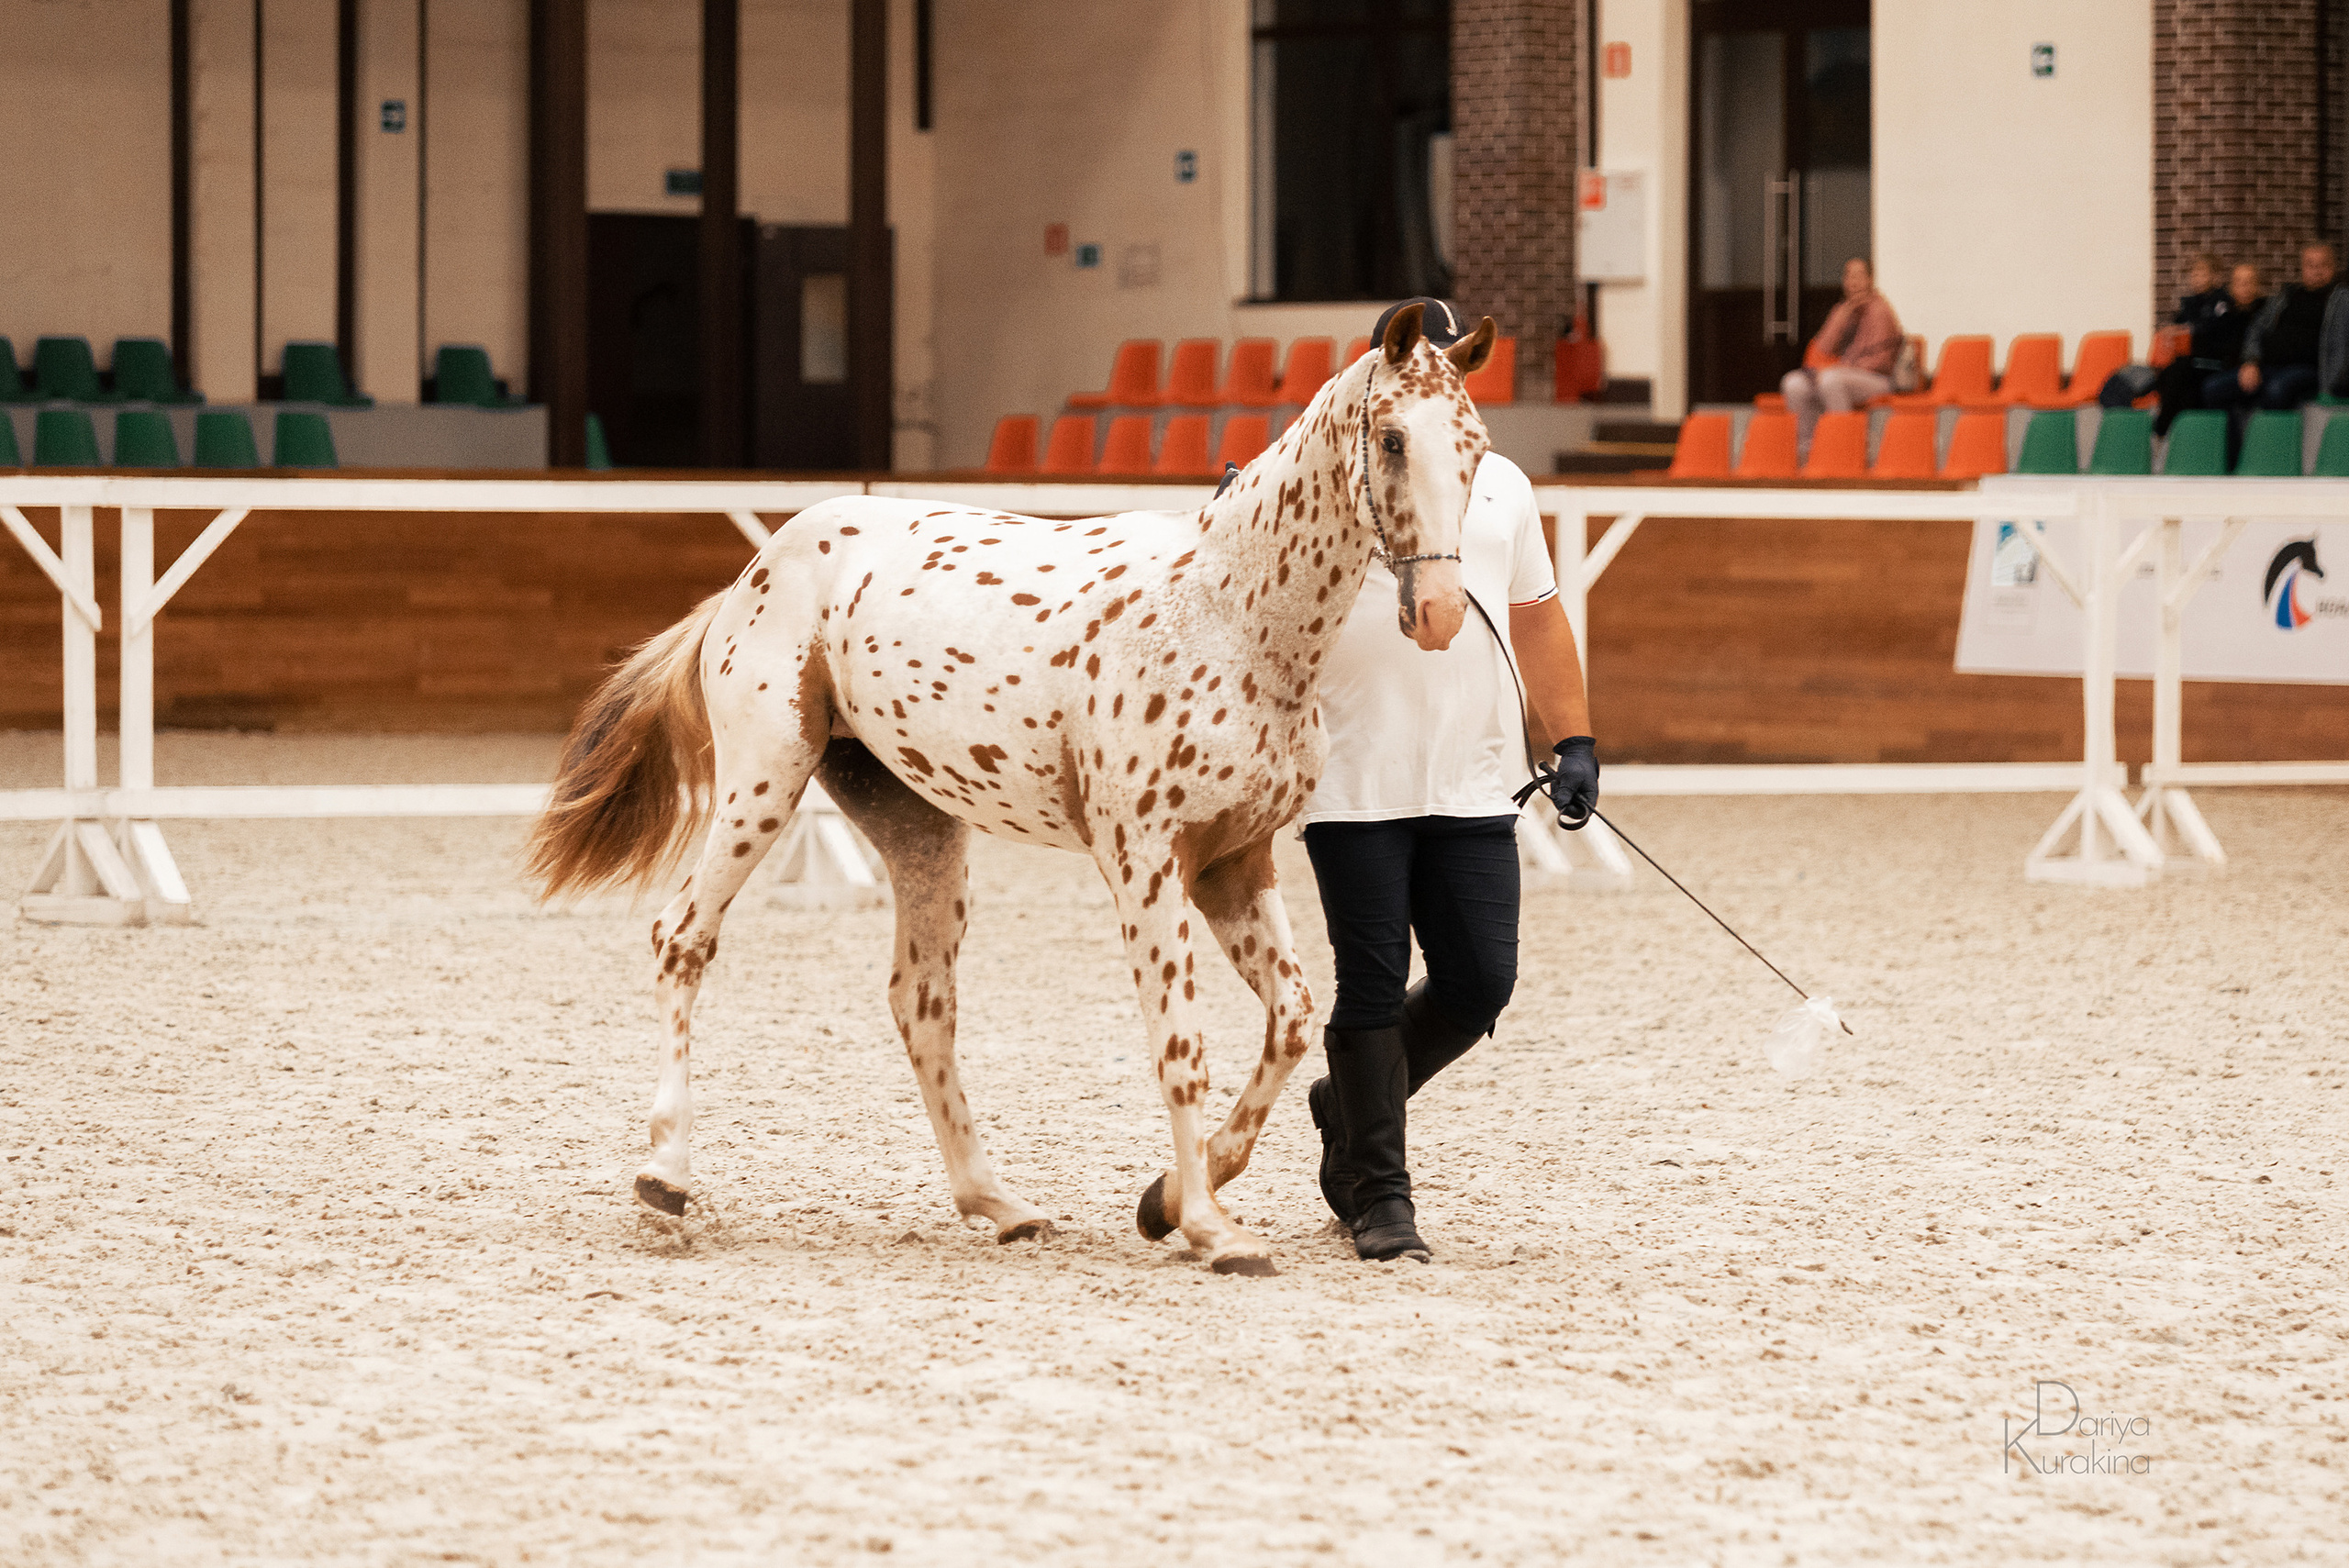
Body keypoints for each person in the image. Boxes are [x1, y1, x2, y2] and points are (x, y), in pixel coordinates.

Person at [1297, 297, 1599, 1263]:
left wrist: (1575, 738)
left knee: (1480, 980)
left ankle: (1349, 1098)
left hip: (1473, 777)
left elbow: (1539, 616)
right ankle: (1376, 1192)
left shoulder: (1502, 481)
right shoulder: (1333, 477)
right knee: (1372, 982)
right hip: (1353, 776)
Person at [1778, 258, 1902, 448]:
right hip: (1844, 374)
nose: (1854, 283)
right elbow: (1824, 348)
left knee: (1831, 380)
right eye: (1849, 277)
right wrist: (1843, 315)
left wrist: (1844, 368)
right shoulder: (1842, 310)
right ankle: (1807, 449)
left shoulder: (1880, 311)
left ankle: (1845, 446)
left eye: (1859, 276)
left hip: (1878, 379)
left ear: (1870, 280)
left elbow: (1881, 363)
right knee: (1793, 383)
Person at [2232, 240, 2349, 414]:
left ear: (2334, 267)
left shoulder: (2342, 300)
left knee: (2276, 389)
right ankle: (2237, 441)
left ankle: (2268, 439)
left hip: (2312, 371)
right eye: (2311, 265)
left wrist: (2338, 380)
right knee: (2213, 389)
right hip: (2269, 366)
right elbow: (2257, 327)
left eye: (2324, 265)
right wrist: (2251, 361)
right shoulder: (2286, 295)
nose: (2317, 271)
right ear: (2302, 268)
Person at [2104, 251, 2227, 411]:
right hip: (2171, 365)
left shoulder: (2222, 304)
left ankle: (2153, 429)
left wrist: (2183, 330)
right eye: (2194, 273)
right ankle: (2123, 424)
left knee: (2165, 378)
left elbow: (2207, 329)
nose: (2196, 278)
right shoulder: (2189, 305)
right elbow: (2173, 329)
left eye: (2202, 273)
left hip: (2201, 366)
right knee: (2117, 381)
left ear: (2215, 277)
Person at [2153, 261, 2263, 436]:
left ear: (2258, 286)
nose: (2243, 288)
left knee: (2179, 369)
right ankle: (2187, 444)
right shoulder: (2230, 311)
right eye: (2238, 283)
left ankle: (2161, 429)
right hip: (2209, 362)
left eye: (2248, 282)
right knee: (2182, 386)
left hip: (2227, 366)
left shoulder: (2261, 313)